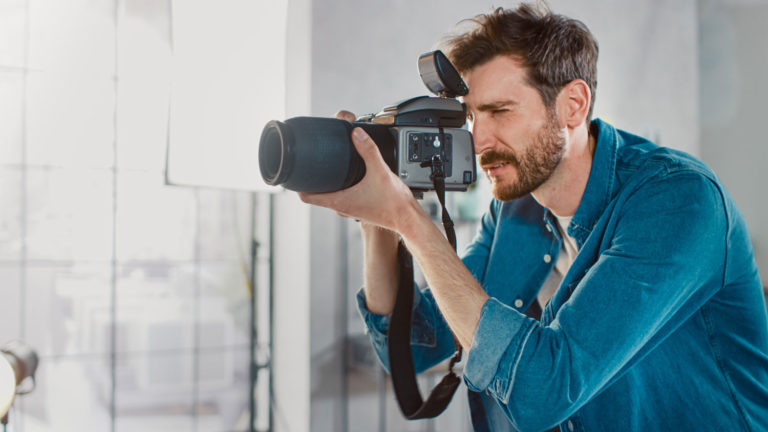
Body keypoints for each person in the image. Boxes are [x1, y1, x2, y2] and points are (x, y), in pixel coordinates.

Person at [299, 3, 768, 431]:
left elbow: (544, 389)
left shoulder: (678, 203)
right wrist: (378, 223)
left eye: (499, 111)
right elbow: (415, 347)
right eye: (471, 119)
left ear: (572, 105)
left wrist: (409, 220)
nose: (479, 141)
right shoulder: (514, 209)